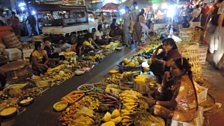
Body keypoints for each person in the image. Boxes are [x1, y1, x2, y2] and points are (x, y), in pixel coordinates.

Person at [152, 58, 198, 122]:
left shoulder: (184, 85)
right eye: (171, 67)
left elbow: (173, 104)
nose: (171, 70)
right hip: (180, 108)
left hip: (185, 114)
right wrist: (165, 77)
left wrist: (156, 102)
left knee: (156, 109)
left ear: (182, 70)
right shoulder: (179, 77)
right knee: (161, 95)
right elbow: (164, 87)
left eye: (174, 68)